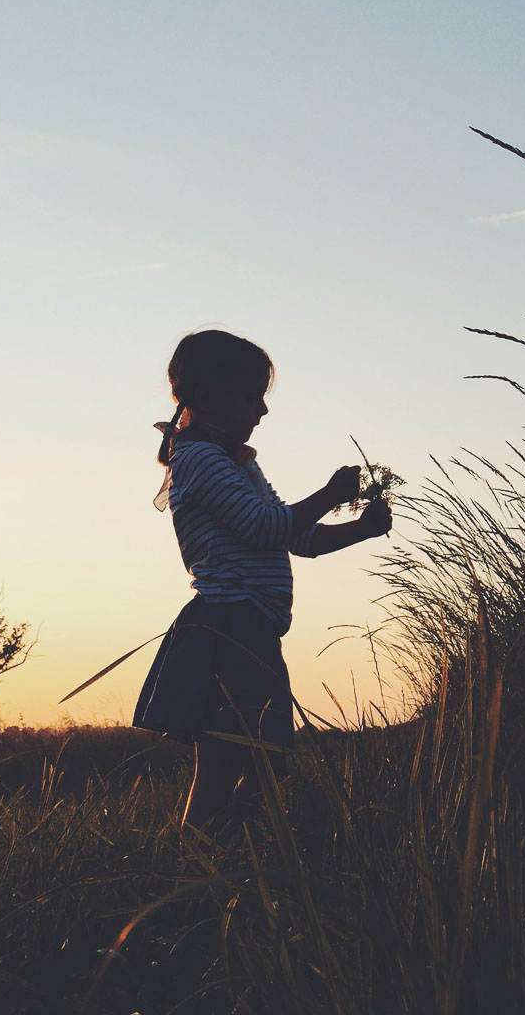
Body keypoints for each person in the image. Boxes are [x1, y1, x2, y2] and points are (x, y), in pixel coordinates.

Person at [132, 329, 391, 841]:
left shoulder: (233, 463)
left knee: (251, 760)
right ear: (208, 396)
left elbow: (301, 538)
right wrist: (329, 493)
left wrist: (360, 527)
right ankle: (208, 860)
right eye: (253, 398)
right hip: (231, 627)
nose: (263, 412)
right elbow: (267, 527)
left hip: (246, 628)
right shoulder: (202, 460)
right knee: (249, 761)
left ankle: (217, 856)